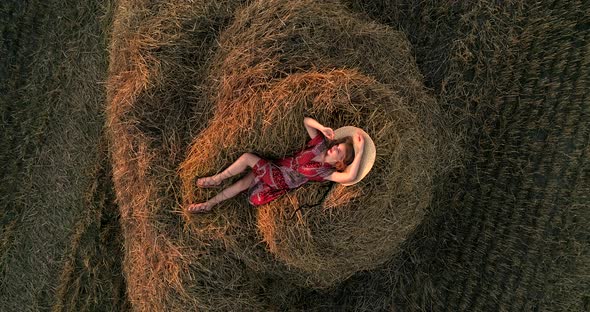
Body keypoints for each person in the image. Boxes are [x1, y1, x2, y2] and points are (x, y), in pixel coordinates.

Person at [187, 117, 366, 212]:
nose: (334, 148)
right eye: (337, 146)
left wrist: (361, 150)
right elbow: (306, 121)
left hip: (281, 179)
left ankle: (216, 179)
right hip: (276, 166)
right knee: (243, 183)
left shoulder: (325, 172)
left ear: (340, 162)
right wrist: (322, 127)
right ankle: (209, 204)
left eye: (339, 151)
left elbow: (350, 177)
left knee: (248, 158)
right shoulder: (319, 144)